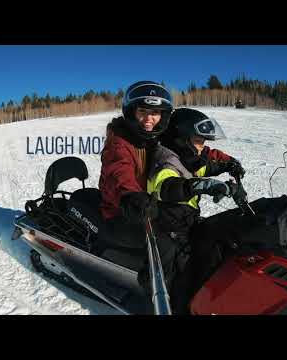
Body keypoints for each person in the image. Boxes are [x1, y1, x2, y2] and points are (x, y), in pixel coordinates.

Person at [146, 107, 247, 313]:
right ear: (181, 139)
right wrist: (202, 186)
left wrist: (229, 166)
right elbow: (166, 187)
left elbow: (203, 167)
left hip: (184, 222)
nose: (202, 147)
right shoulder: (164, 160)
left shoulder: (184, 158)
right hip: (164, 229)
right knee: (176, 284)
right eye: (199, 141)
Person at [97, 80, 173, 253]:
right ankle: (148, 280)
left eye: (155, 112)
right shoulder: (119, 143)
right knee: (164, 247)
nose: (149, 119)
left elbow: (188, 145)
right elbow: (118, 172)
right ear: (131, 112)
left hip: (146, 206)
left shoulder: (151, 139)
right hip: (120, 211)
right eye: (142, 111)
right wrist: (130, 196)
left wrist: (217, 161)